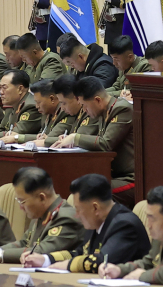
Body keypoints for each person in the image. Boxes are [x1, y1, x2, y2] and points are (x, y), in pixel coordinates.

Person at [32, 174, 150, 272]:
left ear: (95, 208)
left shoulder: (125, 225)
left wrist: (68, 265)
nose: (76, 215)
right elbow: (81, 253)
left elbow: (102, 260)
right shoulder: (96, 220)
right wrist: (46, 259)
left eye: (78, 209)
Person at [0, 167, 82, 264]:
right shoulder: (41, 213)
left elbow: (42, 251)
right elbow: (24, 243)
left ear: (41, 198)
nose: (20, 207)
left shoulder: (66, 218)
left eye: (22, 201)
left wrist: (0, 255)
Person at [53, 76, 135, 206]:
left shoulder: (122, 109)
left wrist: (75, 137)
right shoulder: (102, 111)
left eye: (85, 106)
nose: (84, 110)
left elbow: (106, 144)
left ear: (97, 100)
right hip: (109, 173)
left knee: (86, 193)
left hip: (129, 178)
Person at [0, 69, 40, 142]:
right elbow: (1, 129)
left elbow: (14, 134)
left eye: (4, 87)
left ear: (20, 89)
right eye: (0, 88)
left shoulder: (31, 106)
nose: (1, 92)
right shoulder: (11, 105)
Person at [39, 74, 83, 144]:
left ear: (77, 98)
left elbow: (78, 140)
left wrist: (47, 140)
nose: (62, 108)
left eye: (64, 103)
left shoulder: (89, 112)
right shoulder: (75, 112)